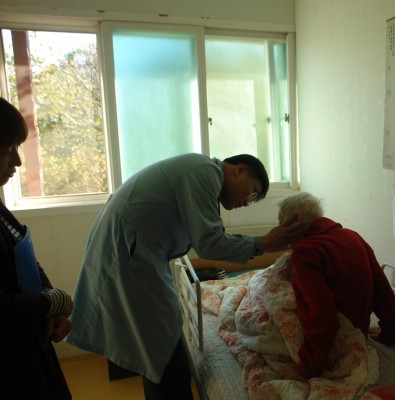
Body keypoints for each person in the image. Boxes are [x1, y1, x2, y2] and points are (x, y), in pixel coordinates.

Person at [65, 152, 306, 400]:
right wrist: (264, 243)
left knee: (160, 340)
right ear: (240, 169)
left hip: (135, 247)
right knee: (162, 345)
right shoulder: (204, 172)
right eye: (253, 193)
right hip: (128, 250)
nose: (247, 202)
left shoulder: (200, 172)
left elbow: (208, 237)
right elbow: (209, 243)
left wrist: (264, 245)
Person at [278, 192, 395, 379]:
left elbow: (322, 315)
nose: (280, 230)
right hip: (359, 334)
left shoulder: (306, 250)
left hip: (335, 345)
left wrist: (307, 368)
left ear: (295, 221)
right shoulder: (353, 236)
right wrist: (392, 331)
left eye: (281, 222)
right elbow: (382, 289)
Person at [0, 97, 74, 399]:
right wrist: (52, 301)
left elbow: (25, 259)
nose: (17, 161)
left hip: (31, 347)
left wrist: (50, 301)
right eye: (7, 150)